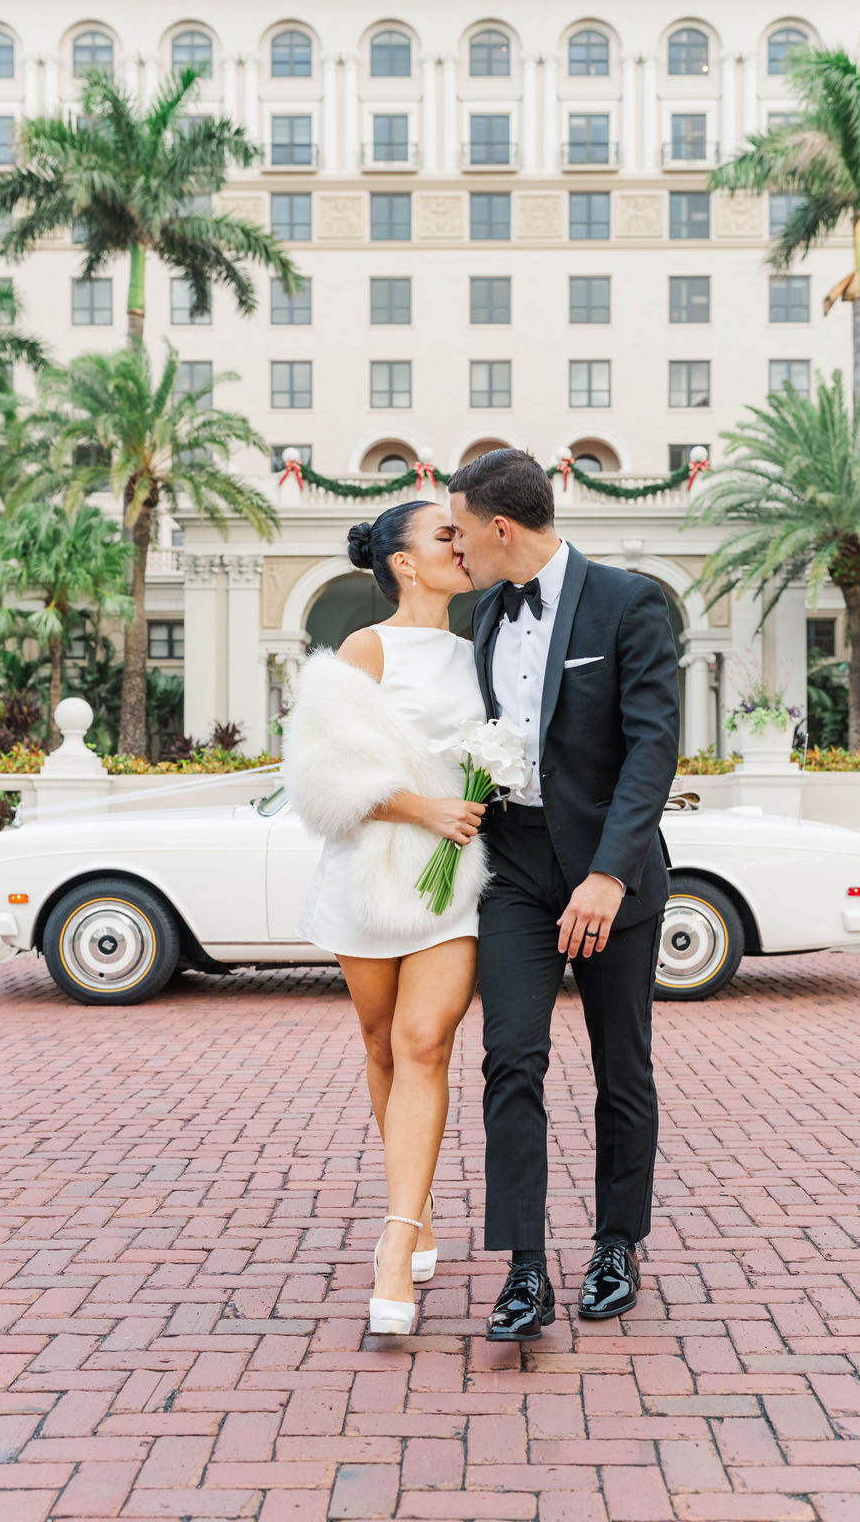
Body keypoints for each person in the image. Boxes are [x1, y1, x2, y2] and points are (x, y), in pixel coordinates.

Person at [447, 448, 680, 1341]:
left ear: (501, 528)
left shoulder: (629, 602)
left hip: (610, 876)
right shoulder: (483, 615)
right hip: (514, 869)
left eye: (462, 532)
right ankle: (523, 1269)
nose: (456, 549)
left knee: (623, 1068)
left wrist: (609, 874)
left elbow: (653, 747)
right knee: (511, 1061)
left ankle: (617, 1244)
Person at [283, 500, 488, 1336]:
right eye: (445, 536)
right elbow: (323, 779)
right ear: (404, 562)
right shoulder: (364, 651)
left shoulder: (483, 656)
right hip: (368, 878)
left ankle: (395, 1243)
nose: (461, 544)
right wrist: (424, 810)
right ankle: (422, 1204)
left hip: (454, 886)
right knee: (379, 1046)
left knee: (423, 1043)